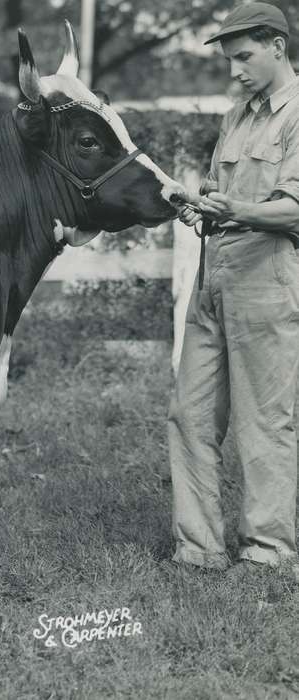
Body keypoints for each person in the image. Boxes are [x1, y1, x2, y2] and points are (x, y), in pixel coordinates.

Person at [170, 2, 299, 574]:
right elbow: (221, 195)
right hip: (213, 276)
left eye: (243, 57)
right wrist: (202, 209)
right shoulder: (237, 116)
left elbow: (294, 210)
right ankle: (199, 549)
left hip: (266, 278)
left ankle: (267, 552)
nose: (234, 71)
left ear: (277, 46)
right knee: (189, 415)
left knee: (264, 421)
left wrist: (235, 210)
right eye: (229, 60)